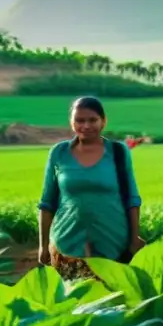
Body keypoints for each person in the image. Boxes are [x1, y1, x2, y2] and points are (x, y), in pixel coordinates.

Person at [37, 96, 144, 280]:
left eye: (92, 120)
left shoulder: (118, 152)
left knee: (113, 300)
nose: (86, 126)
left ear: (103, 121)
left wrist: (135, 238)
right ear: (71, 122)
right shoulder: (59, 152)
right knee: (73, 303)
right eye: (79, 120)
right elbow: (47, 203)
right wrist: (43, 244)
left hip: (113, 240)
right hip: (67, 242)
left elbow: (132, 198)